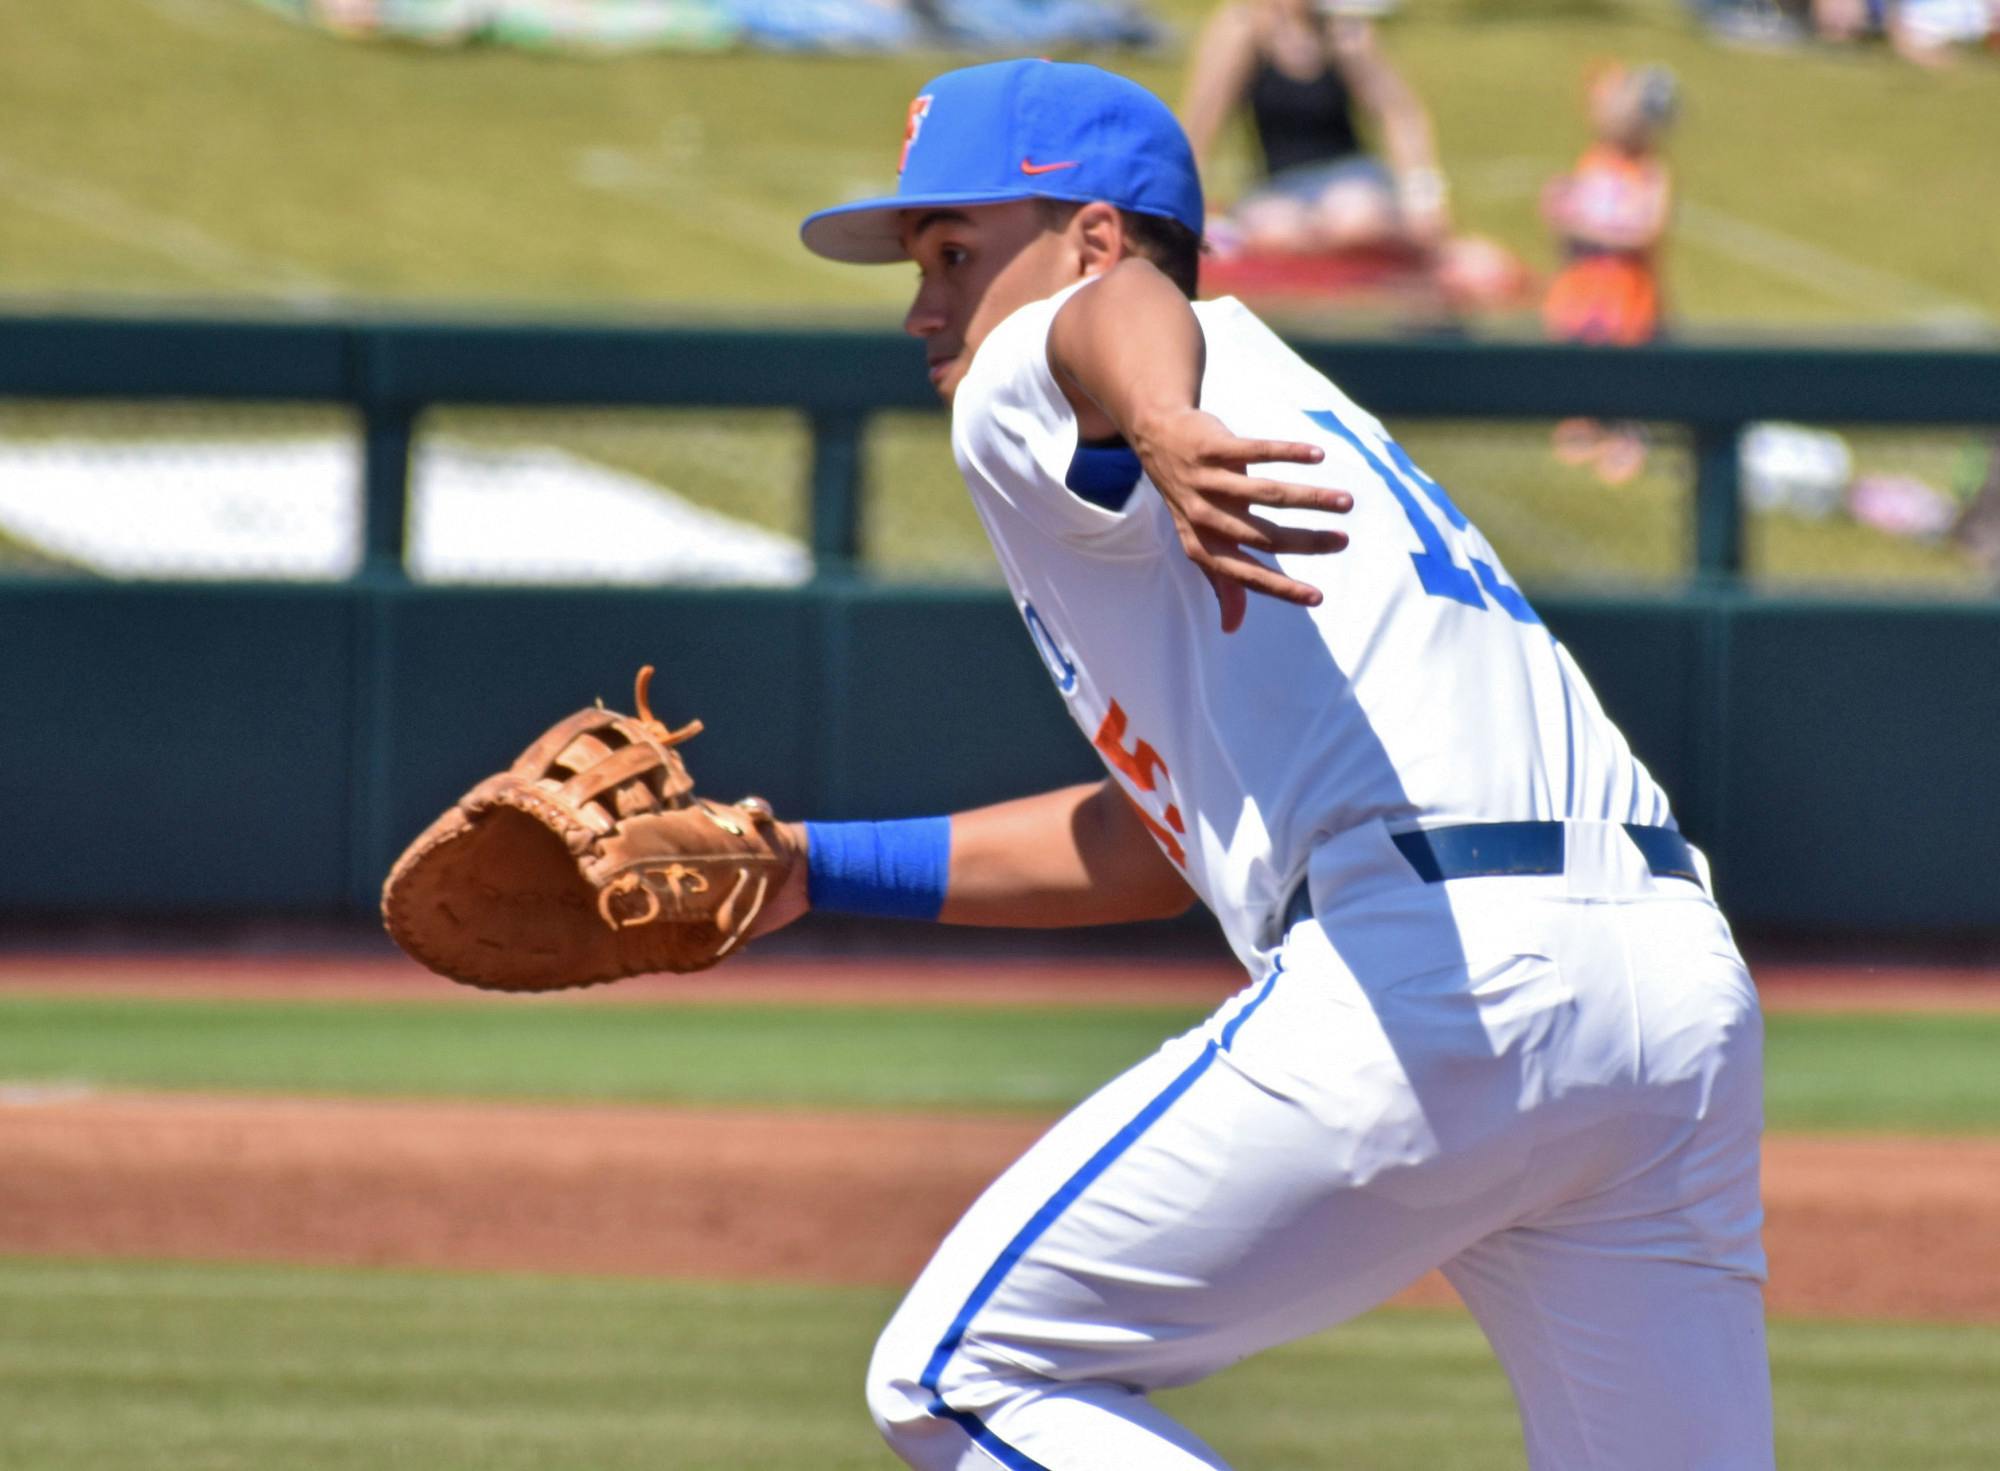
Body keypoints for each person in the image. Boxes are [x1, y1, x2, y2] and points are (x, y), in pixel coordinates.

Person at [779, 58, 1772, 1470]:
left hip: (1442, 969)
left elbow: (1106, 320)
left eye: (953, 250)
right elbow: (1145, 845)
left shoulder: (1076, 372)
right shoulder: (1277, 415)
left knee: (959, 1377)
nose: (923, 303)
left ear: (1094, 235)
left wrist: (1161, 417)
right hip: (1675, 991)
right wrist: (813, 865)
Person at [1181, 0, 1449, 255]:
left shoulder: (1345, 32)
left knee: (1353, 220)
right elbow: (1201, 120)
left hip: (1349, 177)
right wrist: (1183, 200)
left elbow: (1399, 113)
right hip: (1279, 185)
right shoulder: (1242, 29)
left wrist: (1422, 198)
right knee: (1278, 233)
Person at [1543, 63, 1678, 485]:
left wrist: (1586, 227)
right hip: (1585, 287)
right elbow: (1566, 229)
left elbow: (1647, 230)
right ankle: (1583, 421)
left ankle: (1625, 433)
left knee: (1624, 363)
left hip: (1626, 290)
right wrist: (1559, 217)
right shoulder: (1593, 161)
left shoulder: (1652, 172)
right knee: (1581, 354)